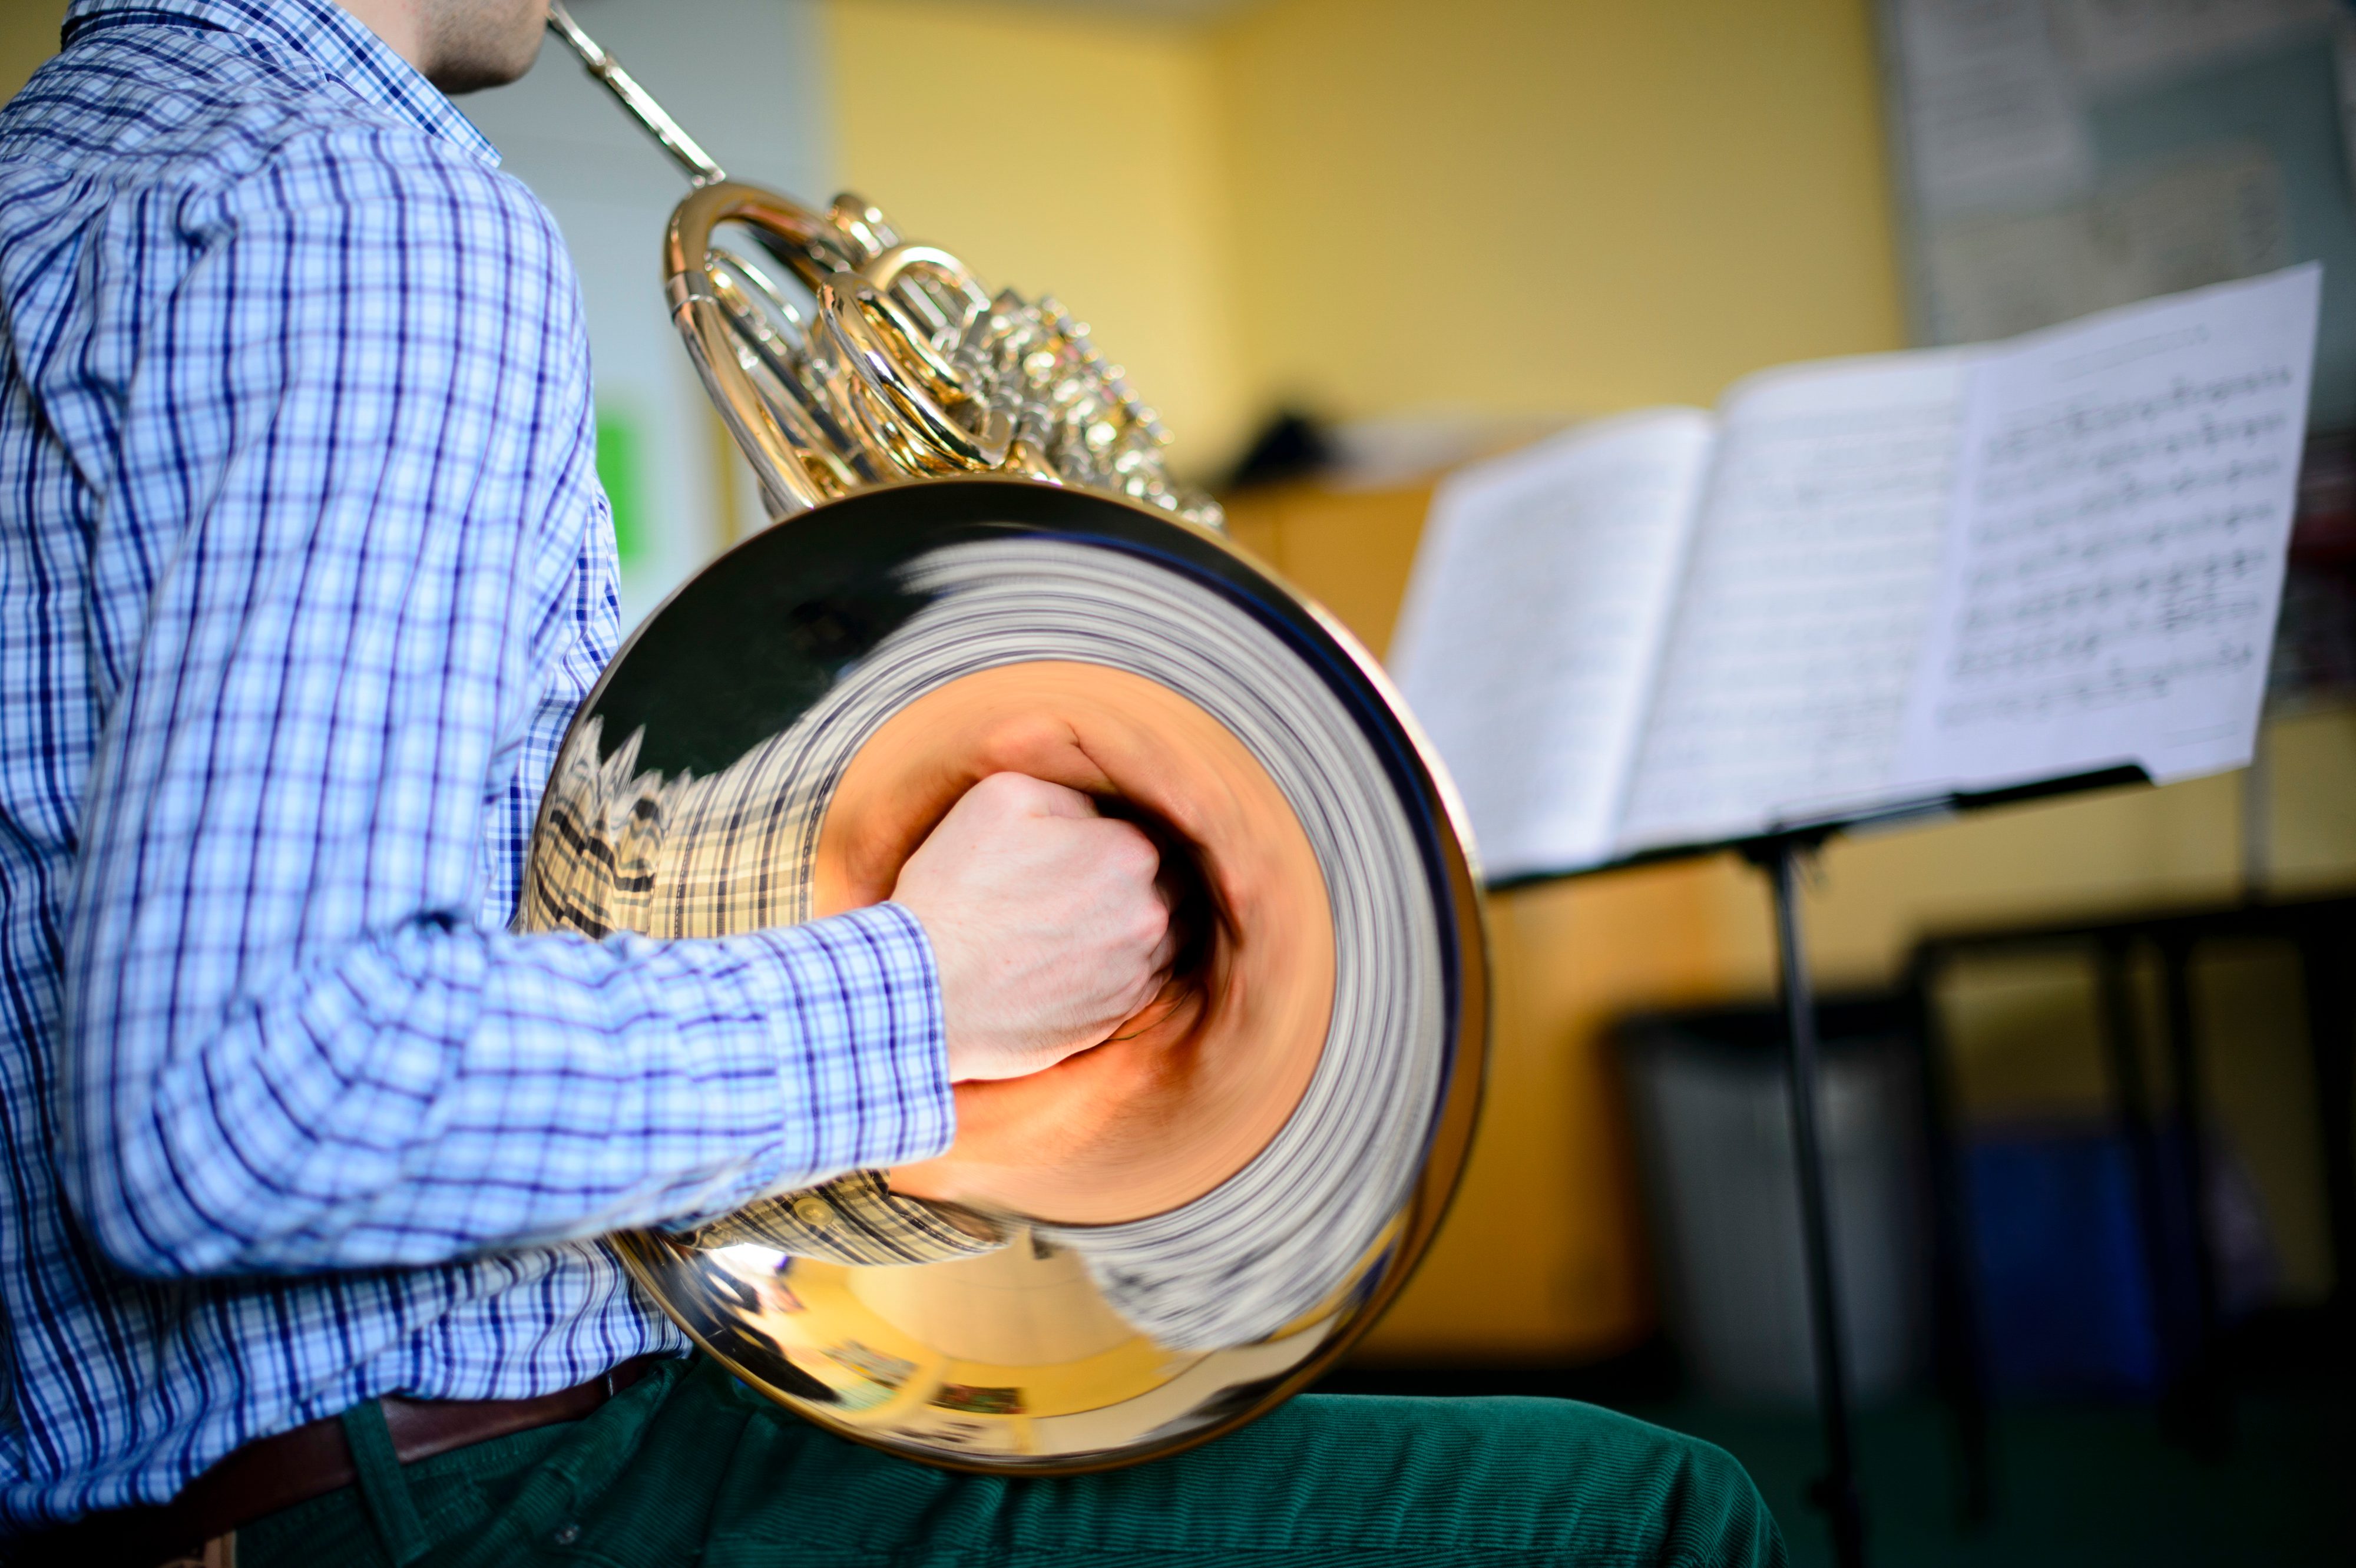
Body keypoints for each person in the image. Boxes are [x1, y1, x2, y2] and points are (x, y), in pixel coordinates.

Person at [0, 1, 1789, 1563]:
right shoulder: (356, 206)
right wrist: (935, 987)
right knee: (1650, 1516)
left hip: (197, 1503)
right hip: (459, 1502)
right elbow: (238, 1106)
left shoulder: (50, 193)